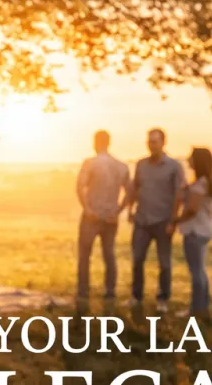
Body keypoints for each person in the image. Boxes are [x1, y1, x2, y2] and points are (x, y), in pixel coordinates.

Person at [124, 128, 186, 314]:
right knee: (137, 259)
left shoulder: (174, 166)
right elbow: (135, 188)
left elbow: (179, 195)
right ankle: (136, 297)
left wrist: (172, 221)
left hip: (162, 221)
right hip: (142, 220)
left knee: (164, 262)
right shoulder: (141, 165)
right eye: (149, 141)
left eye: (155, 141)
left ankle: (163, 299)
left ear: (163, 143)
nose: (151, 145)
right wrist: (130, 209)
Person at [74, 129, 131, 313]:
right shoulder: (121, 166)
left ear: (95, 142)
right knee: (109, 254)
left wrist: (87, 208)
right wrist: (119, 210)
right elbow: (130, 192)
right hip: (111, 216)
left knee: (85, 255)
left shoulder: (90, 163)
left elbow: (80, 187)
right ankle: (110, 291)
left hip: (92, 216)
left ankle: (83, 292)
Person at [173, 147, 212, 318]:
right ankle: (202, 307)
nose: (188, 159)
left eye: (191, 157)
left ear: (198, 161)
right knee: (200, 270)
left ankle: (196, 309)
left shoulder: (201, 184)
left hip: (195, 230)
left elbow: (191, 209)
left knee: (196, 271)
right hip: (203, 229)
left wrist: (175, 221)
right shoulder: (204, 181)